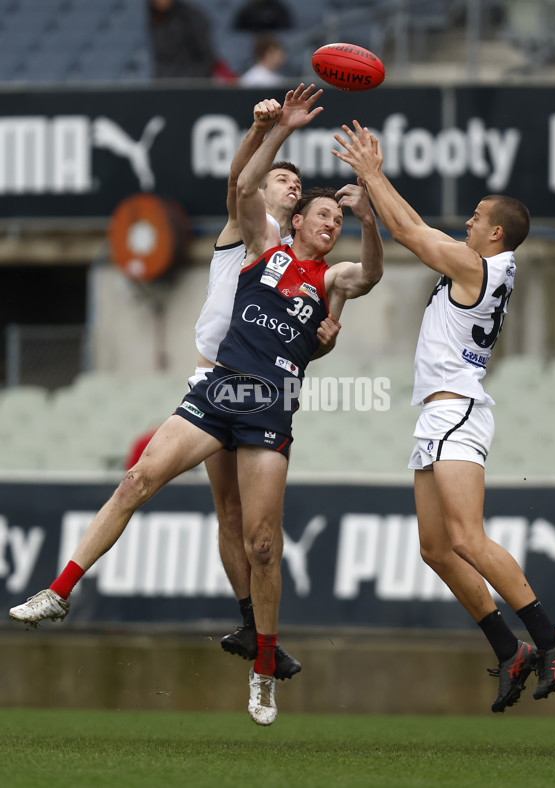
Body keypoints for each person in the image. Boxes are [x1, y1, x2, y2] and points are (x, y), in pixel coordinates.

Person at [9, 86, 384, 727]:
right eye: (321, 215)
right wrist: (280, 129)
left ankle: (263, 669)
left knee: (262, 543)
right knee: (138, 479)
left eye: (335, 219)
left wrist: (369, 216)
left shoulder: (329, 280)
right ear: (293, 222)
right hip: (218, 384)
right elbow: (242, 188)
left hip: (268, 404)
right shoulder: (261, 248)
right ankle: (60, 589)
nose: (329, 223)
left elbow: (369, 275)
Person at [332, 120, 555, 714]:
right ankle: (510, 648)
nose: (466, 221)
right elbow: (415, 228)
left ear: (496, 232)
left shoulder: (478, 267)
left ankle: (551, 637)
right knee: (436, 549)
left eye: (475, 215)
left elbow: (412, 232)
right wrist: (375, 194)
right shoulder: (481, 266)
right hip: (439, 414)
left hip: (457, 410)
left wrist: (372, 173)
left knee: (467, 537)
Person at [190, 95, 340, 681]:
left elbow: (315, 333)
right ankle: (252, 624)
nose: (290, 186)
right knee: (227, 511)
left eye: (296, 184)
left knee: (255, 527)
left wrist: (324, 337)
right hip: (213, 372)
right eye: (283, 178)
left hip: (258, 381)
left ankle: (261, 633)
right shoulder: (249, 225)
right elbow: (239, 180)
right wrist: (264, 130)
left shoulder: (301, 253)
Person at [148, 0, 216, 79]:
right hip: (162, 85)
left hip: (190, 84)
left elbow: (206, 56)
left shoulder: (190, 16)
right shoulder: (148, 15)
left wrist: (196, 81)